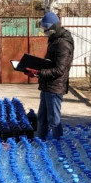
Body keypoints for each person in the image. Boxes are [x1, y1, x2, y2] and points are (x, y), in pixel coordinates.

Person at [25, 11, 74, 140]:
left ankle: (58, 145)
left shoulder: (63, 44)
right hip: (47, 85)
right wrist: (36, 69)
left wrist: (38, 72)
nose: (44, 31)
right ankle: (41, 141)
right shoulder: (54, 40)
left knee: (54, 119)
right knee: (42, 117)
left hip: (55, 87)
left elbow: (59, 70)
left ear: (54, 27)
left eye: (46, 28)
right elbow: (49, 64)